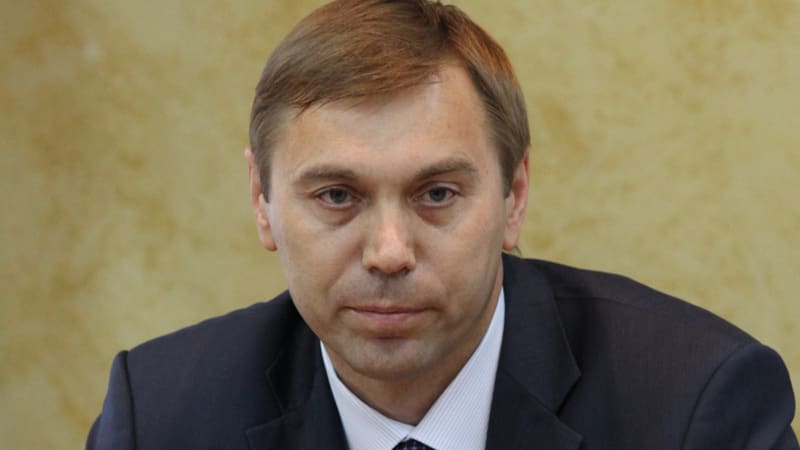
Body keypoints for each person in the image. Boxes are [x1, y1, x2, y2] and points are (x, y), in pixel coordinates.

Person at [86, 1, 798, 449]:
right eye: (336, 196)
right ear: (260, 199)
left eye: (436, 194)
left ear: (514, 197)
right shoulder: (159, 417)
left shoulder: (695, 407)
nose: (389, 252)